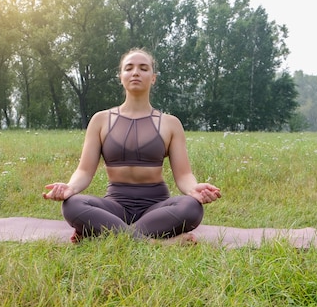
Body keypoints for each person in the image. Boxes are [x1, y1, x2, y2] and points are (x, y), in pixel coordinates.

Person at [43, 48, 221, 243]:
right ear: (121, 76)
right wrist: (70, 187)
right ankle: (156, 243)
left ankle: (105, 235)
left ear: (153, 78)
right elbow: (84, 171)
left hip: (156, 208)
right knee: (73, 205)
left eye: (143, 68)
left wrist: (194, 189)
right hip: (115, 207)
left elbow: (184, 175)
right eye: (129, 68)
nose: (135, 72)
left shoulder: (171, 123)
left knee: (192, 207)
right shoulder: (100, 120)